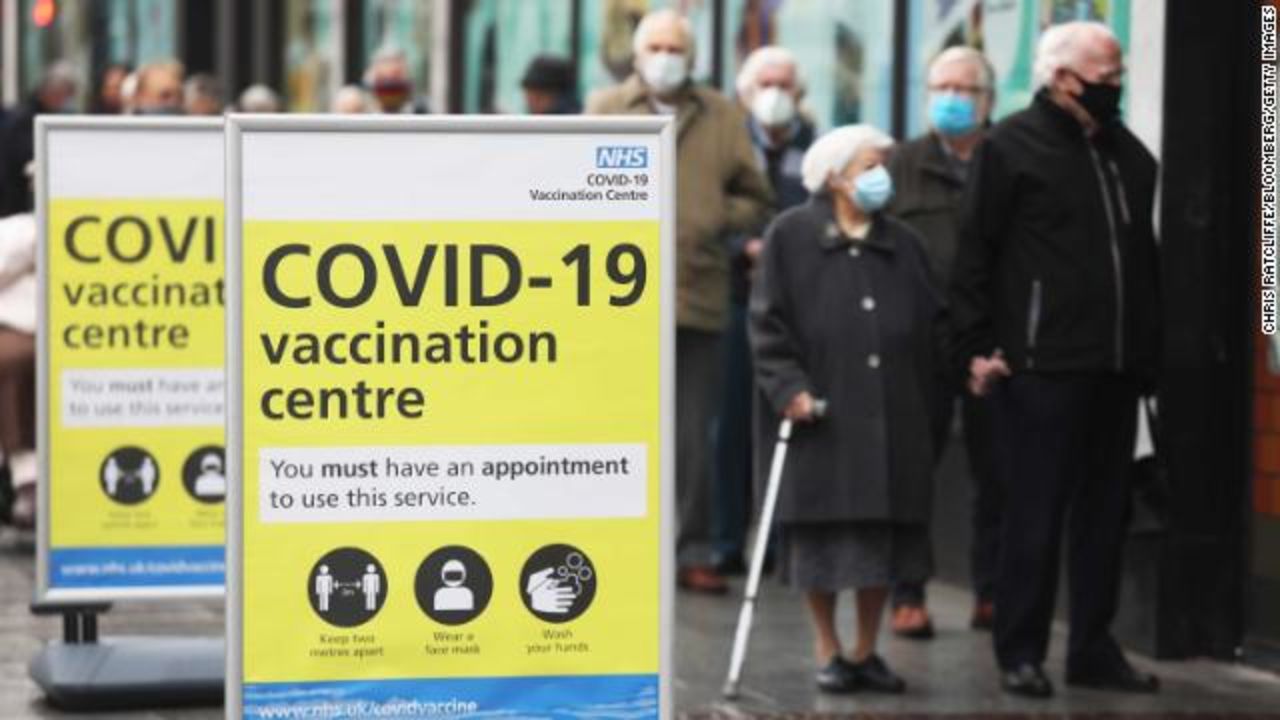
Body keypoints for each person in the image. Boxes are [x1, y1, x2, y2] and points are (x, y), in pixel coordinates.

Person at [950, 21, 1161, 698]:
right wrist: (976, 347)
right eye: (1106, 78)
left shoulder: (1130, 156)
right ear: (1062, 79)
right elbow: (974, 254)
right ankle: (1021, 649)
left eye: (1121, 76)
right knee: (1033, 513)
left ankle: (1094, 648)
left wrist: (1149, 356)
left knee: (1106, 516)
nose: (1116, 87)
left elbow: (1144, 263)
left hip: (1115, 365)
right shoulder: (1010, 146)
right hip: (1039, 366)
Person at [750, 124, 943, 694]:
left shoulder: (905, 243)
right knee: (824, 541)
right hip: (821, 414)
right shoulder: (790, 235)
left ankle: (865, 650)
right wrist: (789, 388)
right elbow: (766, 325)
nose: (881, 175)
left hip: (892, 415)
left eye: (883, 163)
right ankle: (828, 646)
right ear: (833, 176)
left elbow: (934, 322)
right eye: (869, 166)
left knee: (880, 543)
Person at [587, 9, 773, 594]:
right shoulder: (606, 110)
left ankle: (692, 549)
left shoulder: (720, 115)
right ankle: (616, 549)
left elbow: (755, 195)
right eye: (657, 46)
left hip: (698, 296)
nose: (666, 55)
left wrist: (718, 218)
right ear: (638, 55)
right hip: (616, 306)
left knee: (694, 437)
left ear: (691, 56)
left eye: (676, 46)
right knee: (615, 431)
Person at [886, 45, 998, 640]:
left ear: (988, 101)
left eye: (966, 90)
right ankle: (908, 593)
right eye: (942, 88)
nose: (953, 99)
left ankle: (993, 592)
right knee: (913, 470)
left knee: (997, 472)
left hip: (988, 343)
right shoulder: (900, 164)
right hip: (919, 345)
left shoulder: (1007, 159)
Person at [713, 45, 815, 574]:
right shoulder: (728, 143)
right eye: (765, 84)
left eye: (785, 84)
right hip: (734, 299)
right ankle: (725, 540)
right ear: (746, 92)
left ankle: (779, 544)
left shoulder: (814, 148)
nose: (775, 95)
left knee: (785, 427)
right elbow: (707, 209)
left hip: (795, 309)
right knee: (728, 428)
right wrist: (743, 249)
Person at [0, 61, 76, 216]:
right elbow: (21, 159)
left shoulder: (57, 116)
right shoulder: (24, 120)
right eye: (63, 95)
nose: (64, 101)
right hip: (16, 203)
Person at [0, 213, 36, 529]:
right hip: (12, 329)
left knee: (12, 359)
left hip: (39, 334)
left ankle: (29, 482)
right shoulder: (17, 230)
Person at [364, 47, 429, 114]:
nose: (391, 87)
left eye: (396, 76)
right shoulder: (363, 106)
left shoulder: (419, 108)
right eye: (384, 79)